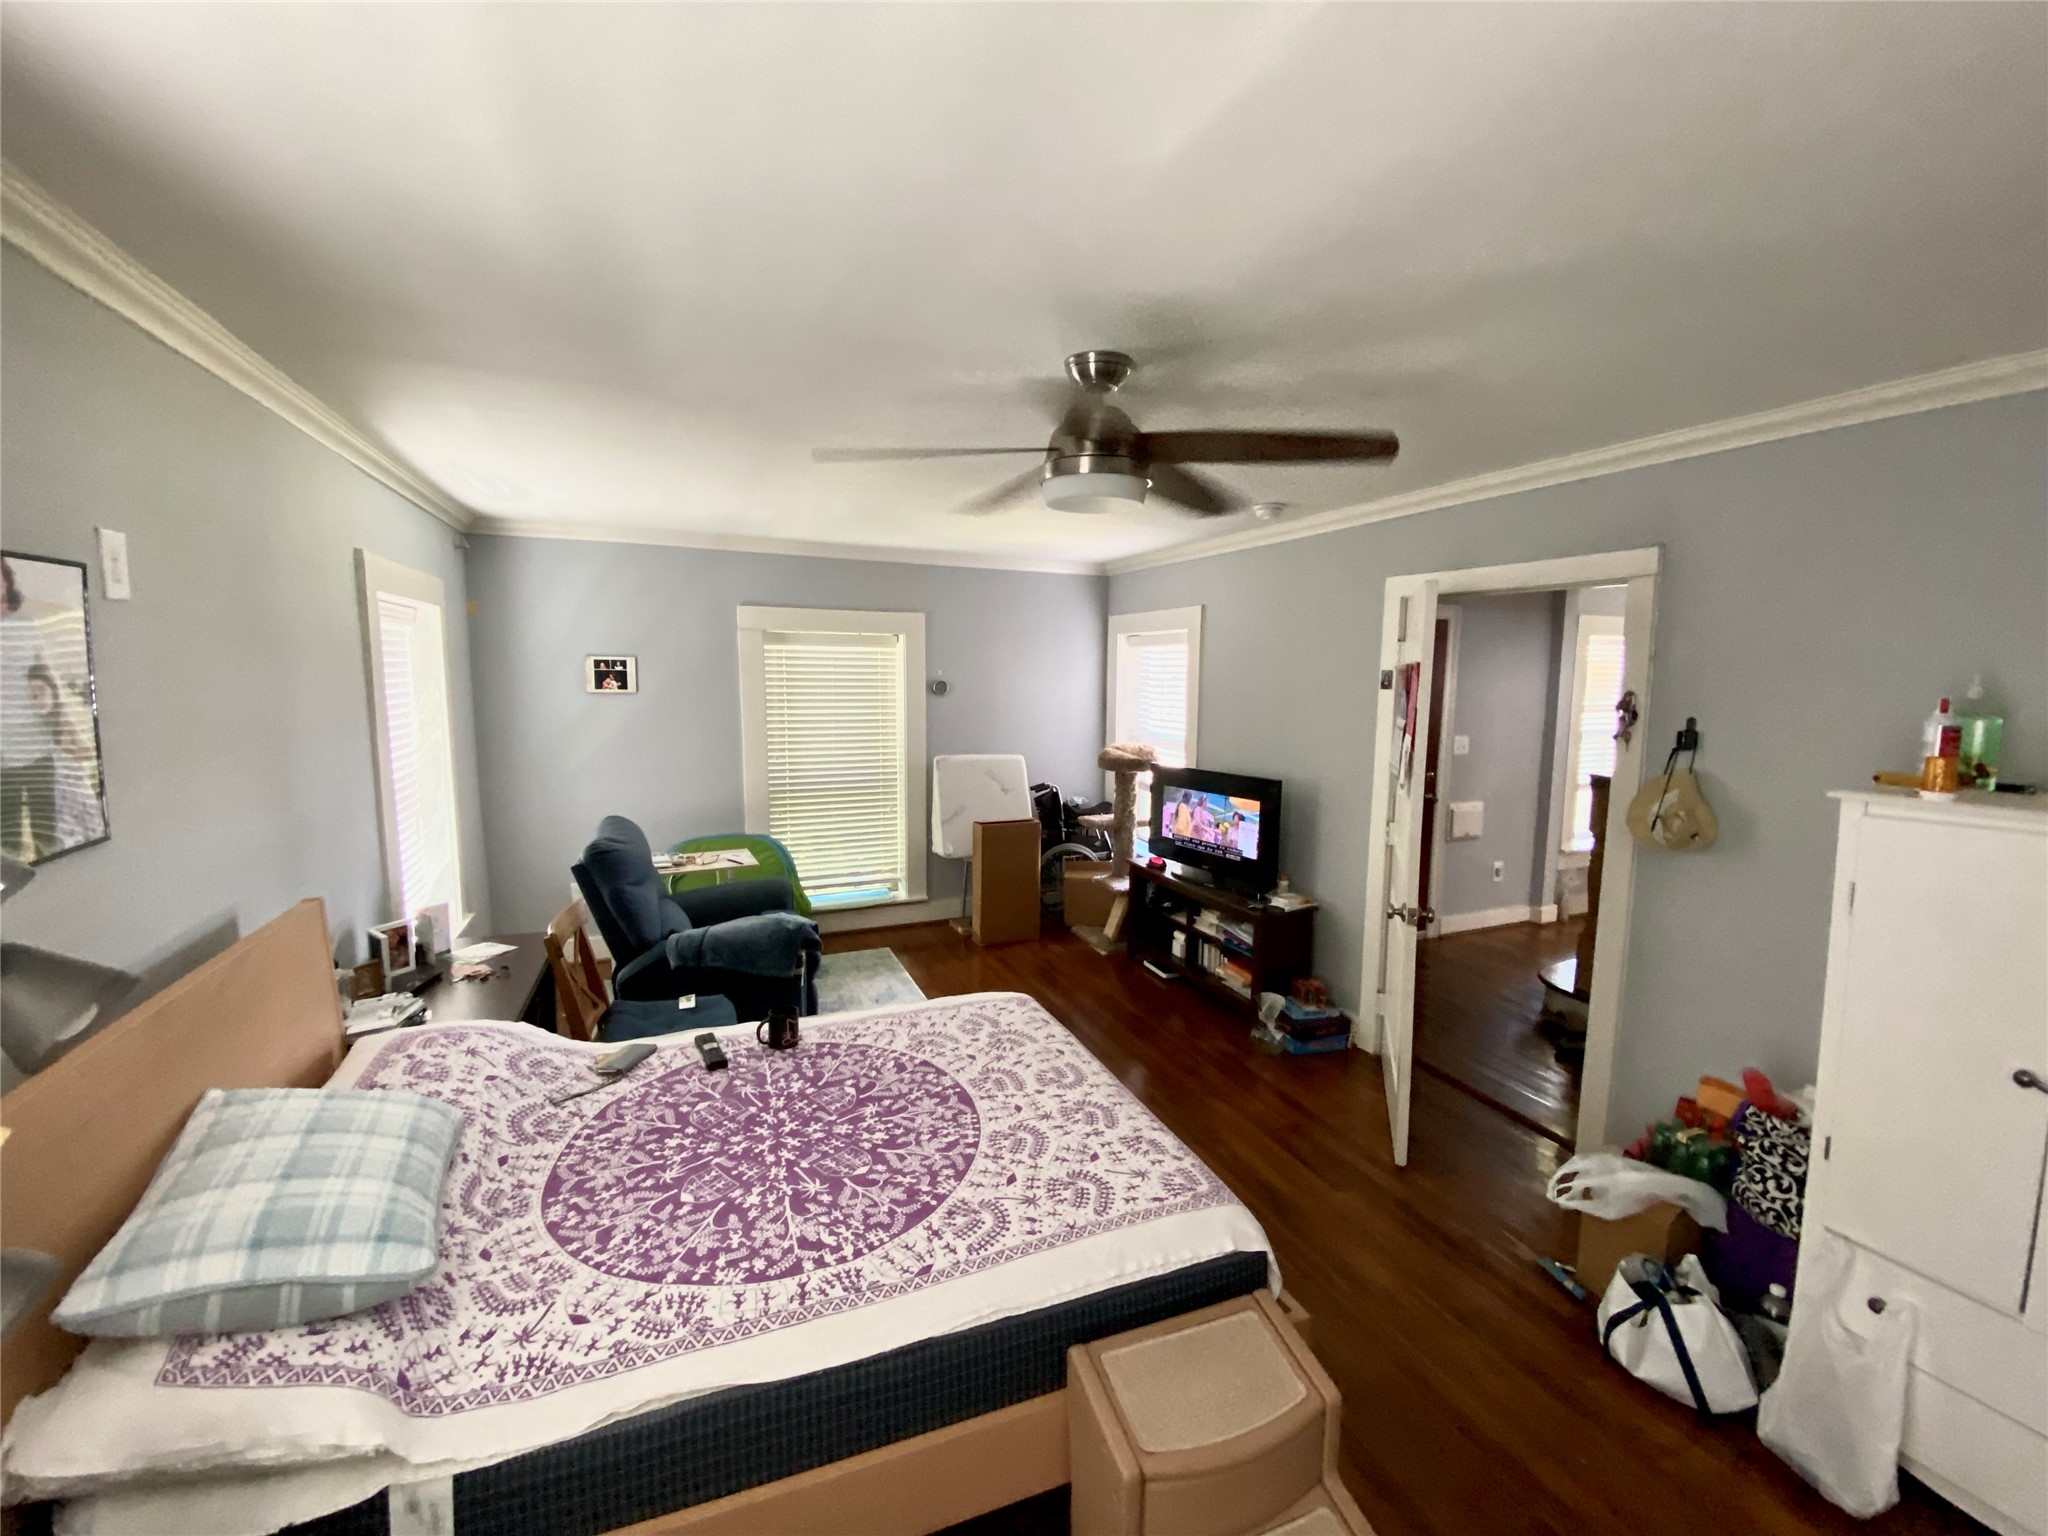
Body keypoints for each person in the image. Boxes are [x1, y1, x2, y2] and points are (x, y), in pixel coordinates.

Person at [0, 559, 59, 861]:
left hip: (37, 739)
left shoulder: (25, 623)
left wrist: (47, 695)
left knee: (45, 823)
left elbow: (43, 668)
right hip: (3, 749)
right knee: (7, 830)